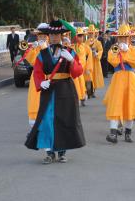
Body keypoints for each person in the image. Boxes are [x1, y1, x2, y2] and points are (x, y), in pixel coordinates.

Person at [25, 20, 85, 164]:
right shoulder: (42, 53)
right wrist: (41, 82)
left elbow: (78, 72)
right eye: (51, 35)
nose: (54, 37)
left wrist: (72, 61)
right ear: (48, 36)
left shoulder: (70, 52)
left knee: (64, 120)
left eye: (57, 35)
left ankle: (62, 152)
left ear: (61, 36)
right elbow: (38, 71)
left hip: (66, 89)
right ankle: (49, 152)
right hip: (49, 89)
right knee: (46, 120)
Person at [104, 24, 135, 143]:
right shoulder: (115, 48)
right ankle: (113, 134)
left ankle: (128, 133)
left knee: (131, 104)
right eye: (121, 37)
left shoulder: (134, 49)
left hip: (131, 79)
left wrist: (126, 53)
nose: (123, 39)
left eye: (125, 37)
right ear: (118, 38)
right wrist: (119, 51)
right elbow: (112, 61)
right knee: (115, 103)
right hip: (118, 79)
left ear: (129, 38)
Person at [25, 23, 49, 127]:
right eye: (40, 36)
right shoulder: (35, 48)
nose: (42, 38)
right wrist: (32, 49)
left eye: (44, 36)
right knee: (34, 99)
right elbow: (32, 61)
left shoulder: (51, 47)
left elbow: (49, 62)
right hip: (36, 77)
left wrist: (44, 48)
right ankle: (33, 124)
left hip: (48, 76)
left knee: (47, 100)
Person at [71, 27, 93, 106]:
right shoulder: (72, 46)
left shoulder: (85, 46)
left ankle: (83, 97)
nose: (81, 37)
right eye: (79, 36)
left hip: (83, 69)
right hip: (75, 69)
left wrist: (88, 67)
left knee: (83, 84)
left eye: (82, 36)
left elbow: (90, 55)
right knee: (76, 83)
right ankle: (77, 98)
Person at [85, 24, 104, 98]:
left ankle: (93, 92)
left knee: (95, 76)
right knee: (89, 76)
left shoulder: (98, 42)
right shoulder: (86, 42)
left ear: (94, 33)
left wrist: (96, 53)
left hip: (95, 61)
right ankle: (88, 91)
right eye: (89, 33)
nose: (90, 34)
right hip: (88, 62)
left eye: (92, 33)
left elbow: (101, 50)